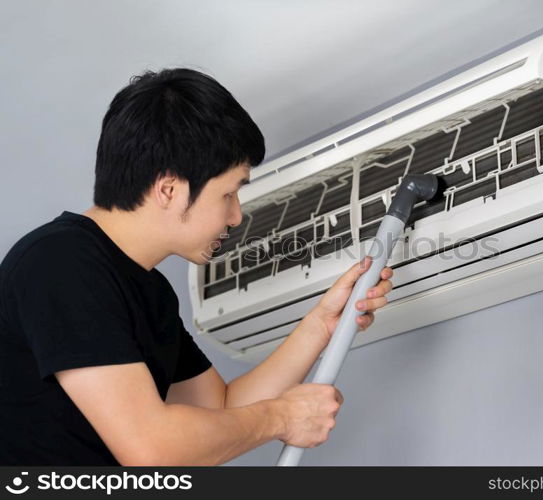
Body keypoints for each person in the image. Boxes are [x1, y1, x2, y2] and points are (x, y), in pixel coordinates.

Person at [0, 68, 394, 465]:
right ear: (169, 190)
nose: (236, 216)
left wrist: (322, 325)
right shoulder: (61, 263)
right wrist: (282, 417)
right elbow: (152, 450)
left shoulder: (148, 290)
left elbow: (218, 410)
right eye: (229, 193)